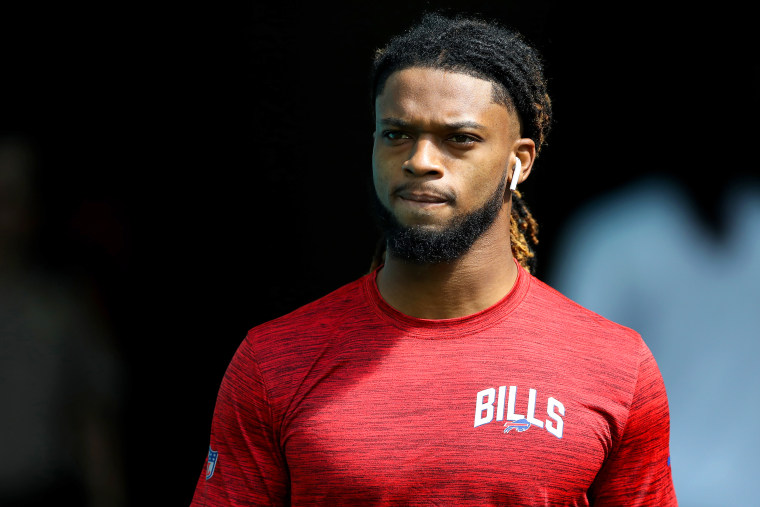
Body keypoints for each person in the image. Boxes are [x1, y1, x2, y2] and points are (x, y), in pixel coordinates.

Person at [191, 13, 676, 506]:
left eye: (459, 139)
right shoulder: (274, 361)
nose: (420, 159)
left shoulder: (615, 365)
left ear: (519, 162)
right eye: (396, 134)